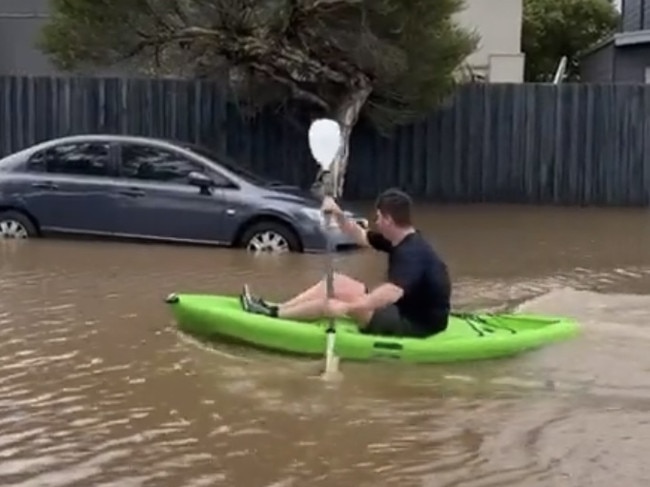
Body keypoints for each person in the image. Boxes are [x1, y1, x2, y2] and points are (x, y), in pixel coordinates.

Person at [240, 188, 452, 337]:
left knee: (331, 303)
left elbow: (391, 293)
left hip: (416, 324)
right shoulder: (398, 239)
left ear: (388, 219)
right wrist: (338, 214)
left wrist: (348, 307)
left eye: (378, 217)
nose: (376, 222)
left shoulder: (411, 253)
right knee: (336, 282)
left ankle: (273, 315)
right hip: (405, 309)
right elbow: (359, 235)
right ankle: (276, 308)